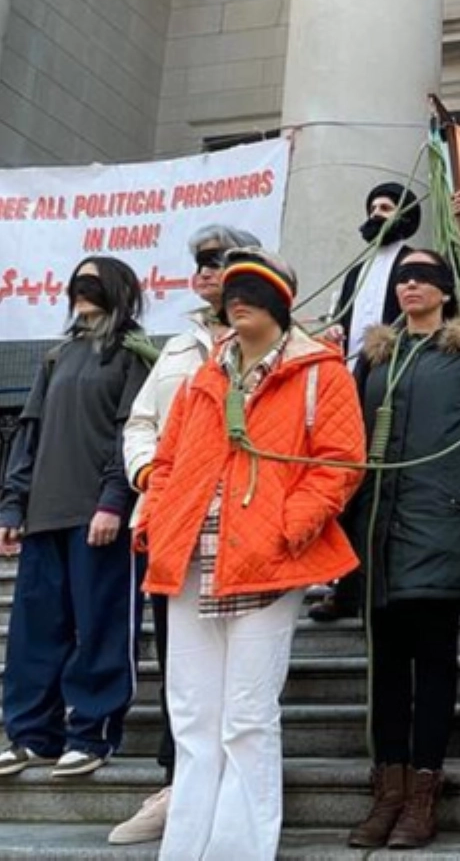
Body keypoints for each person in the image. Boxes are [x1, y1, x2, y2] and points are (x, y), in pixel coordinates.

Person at [134, 248, 365, 861]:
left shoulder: (321, 372)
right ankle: (185, 849)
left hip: (267, 563)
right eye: (231, 292)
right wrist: (158, 520)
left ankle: (237, 851)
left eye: (252, 292)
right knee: (192, 718)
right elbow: (166, 460)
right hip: (189, 561)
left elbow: (340, 463)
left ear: (280, 306)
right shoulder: (204, 376)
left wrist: (289, 526)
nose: (237, 300)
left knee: (247, 716)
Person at [344, 249, 460, 850]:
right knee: (385, 669)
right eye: (403, 277)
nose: (411, 285)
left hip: (444, 525)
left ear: (445, 290)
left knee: (433, 663)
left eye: (424, 277)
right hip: (378, 531)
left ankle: (421, 796)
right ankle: (387, 790)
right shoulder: (376, 355)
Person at [108, 224, 261, 845]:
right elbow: (140, 423)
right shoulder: (176, 348)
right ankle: (179, 789)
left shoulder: (282, 339)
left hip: (248, 527)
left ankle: (235, 796)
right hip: (177, 526)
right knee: (182, 671)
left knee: (242, 677)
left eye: (221, 261)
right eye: (200, 262)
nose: (207, 271)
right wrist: (148, 475)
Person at [0, 257, 151, 778]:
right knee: (34, 632)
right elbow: (30, 431)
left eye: (93, 284)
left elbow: (131, 434)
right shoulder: (57, 356)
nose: (81, 293)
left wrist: (113, 500)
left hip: (100, 519)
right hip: (45, 517)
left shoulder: (136, 356)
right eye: (76, 284)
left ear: (117, 291)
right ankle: (31, 735)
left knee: (102, 628)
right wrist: (13, 504)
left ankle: (92, 733)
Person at [310, 182, 460, 622]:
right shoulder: (354, 271)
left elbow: (456, 280)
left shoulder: (413, 266)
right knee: (350, 484)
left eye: (387, 207)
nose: (378, 213)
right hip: (348, 387)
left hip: (398, 381)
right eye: (373, 206)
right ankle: (346, 583)